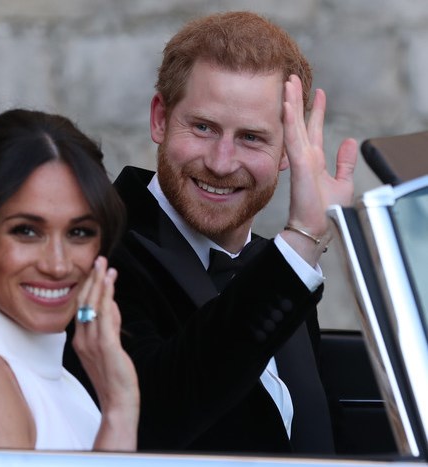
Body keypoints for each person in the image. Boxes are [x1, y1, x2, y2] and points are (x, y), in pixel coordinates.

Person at [63, 11, 358, 454]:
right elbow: (151, 417)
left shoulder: (274, 265)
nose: (221, 162)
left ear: (286, 151)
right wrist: (301, 242)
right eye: (203, 127)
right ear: (160, 118)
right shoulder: (95, 246)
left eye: (252, 138)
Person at [0, 109, 139, 451]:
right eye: (27, 231)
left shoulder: (57, 378)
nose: (58, 265)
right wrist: (120, 412)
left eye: (79, 232)